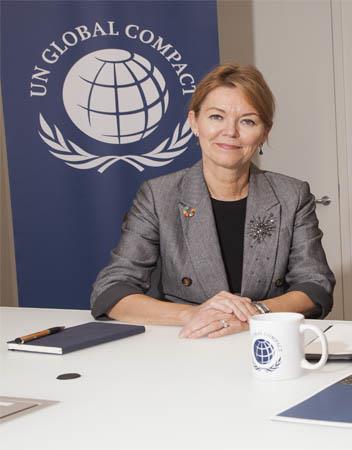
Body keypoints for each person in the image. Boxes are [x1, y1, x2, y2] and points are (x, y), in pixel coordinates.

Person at [90, 63, 335, 338]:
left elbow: (315, 286)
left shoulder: (292, 195)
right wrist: (194, 314)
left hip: (267, 343)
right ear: (194, 122)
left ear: (265, 132)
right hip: (189, 344)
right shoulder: (158, 196)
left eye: (248, 121)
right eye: (216, 117)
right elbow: (112, 290)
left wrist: (254, 313)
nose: (230, 132)